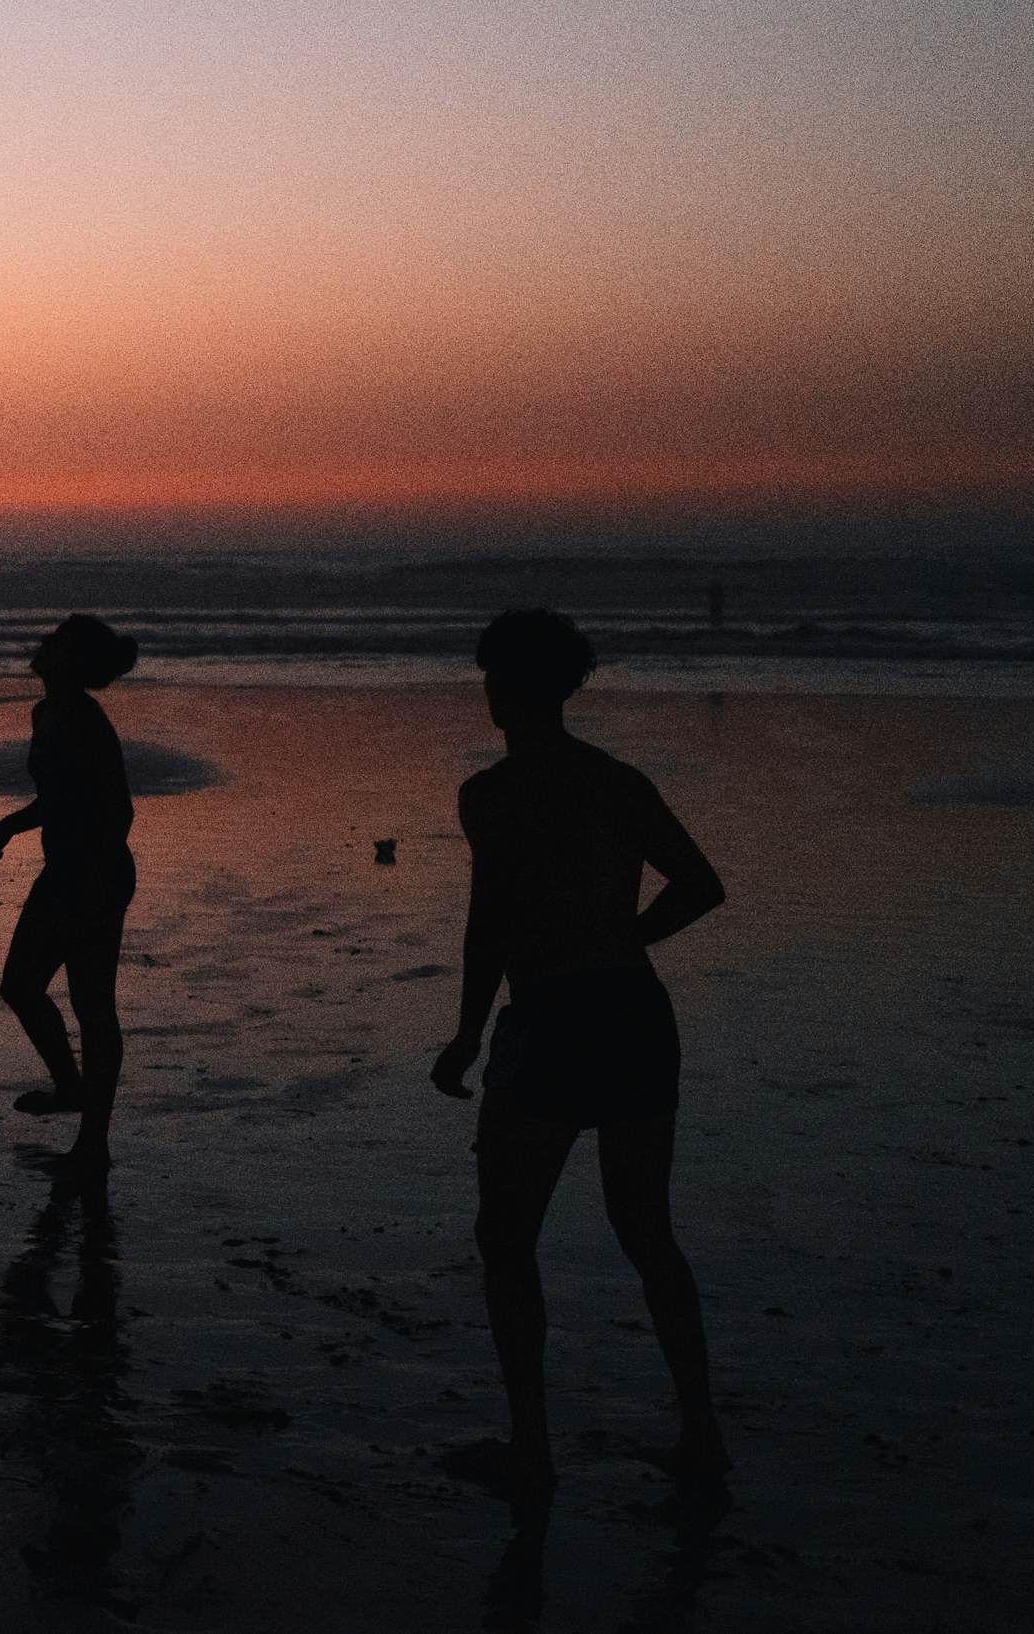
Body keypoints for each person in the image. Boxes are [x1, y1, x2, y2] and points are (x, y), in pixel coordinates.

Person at [431, 609, 729, 1511]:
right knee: (647, 1232)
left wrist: (468, 1033)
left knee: (507, 1236)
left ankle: (533, 1450)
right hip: (635, 1012)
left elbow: (491, 927)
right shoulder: (617, 781)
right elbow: (702, 885)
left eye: (491, 679)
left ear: (508, 689)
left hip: (554, 1019)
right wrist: (625, 936)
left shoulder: (492, 796)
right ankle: (701, 1432)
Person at [0, 613, 139, 1170]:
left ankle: (93, 1144)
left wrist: (88, 873)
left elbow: (119, 810)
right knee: (20, 987)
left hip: (93, 877)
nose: (41, 645)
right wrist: (9, 826)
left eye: (54, 641)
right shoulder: (45, 713)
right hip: (64, 873)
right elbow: (57, 798)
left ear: (70, 660)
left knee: (94, 1010)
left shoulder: (88, 723)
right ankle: (70, 1088)